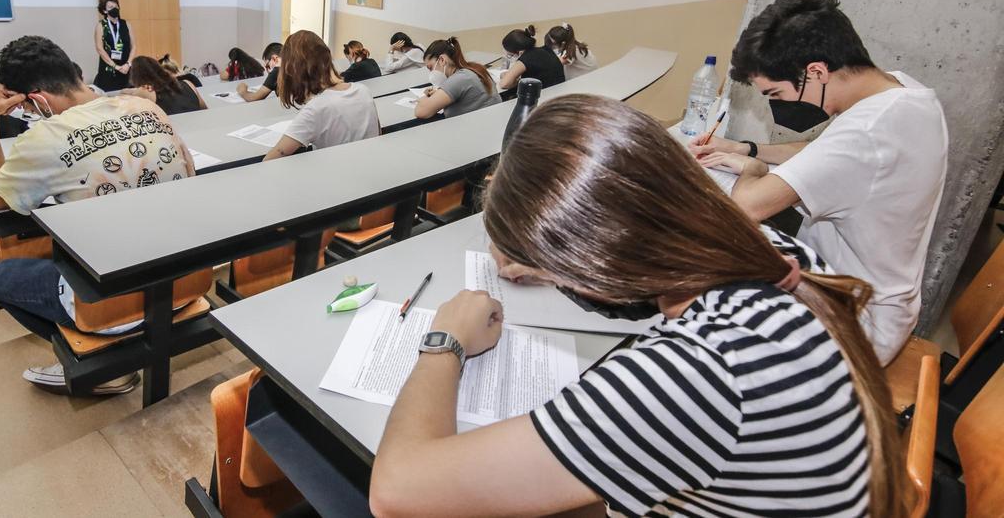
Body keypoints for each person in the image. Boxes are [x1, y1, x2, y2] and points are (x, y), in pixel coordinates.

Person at [369, 94, 908, 517]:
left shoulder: (694, 373)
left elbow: (396, 492)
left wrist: (446, 341)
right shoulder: (769, 250)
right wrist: (550, 260)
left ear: (595, 266)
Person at [691, 0, 948, 365]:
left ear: (816, 72)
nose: (778, 104)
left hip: (853, 321)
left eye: (776, 93)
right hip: (875, 299)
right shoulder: (900, 92)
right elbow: (823, 150)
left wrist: (752, 169)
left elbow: (748, 206)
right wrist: (746, 148)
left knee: (701, 298)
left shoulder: (866, 132)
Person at [0, 35, 195, 396]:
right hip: (187, 281)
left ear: (37, 101)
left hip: (111, 306)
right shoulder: (147, 107)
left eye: (27, 108)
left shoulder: (45, 138)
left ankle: (102, 365)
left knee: (0, 276)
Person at [263, 30, 379, 161]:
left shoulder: (316, 109)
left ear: (294, 70)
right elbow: (378, 133)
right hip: (369, 166)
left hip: (334, 171)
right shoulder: (363, 90)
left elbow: (268, 161)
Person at [414, 37, 500, 120]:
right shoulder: (473, 68)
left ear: (442, 60)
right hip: (491, 121)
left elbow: (421, 112)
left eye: (430, 68)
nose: (431, 72)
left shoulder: (458, 79)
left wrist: (424, 97)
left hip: (476, 125)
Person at [124, 55, 207, 115]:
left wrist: (126, 91)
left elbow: (127, 101)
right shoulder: (188, 83)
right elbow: (205, 109)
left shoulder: (146, 92)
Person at [497, 24, 565, 91]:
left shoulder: (526, 58)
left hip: (545, 94)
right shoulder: (544, 50)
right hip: (559, 91)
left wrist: (510, 78)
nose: (511, 58)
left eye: (511, 55)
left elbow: (504, 84)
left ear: (520, 52)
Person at [92, 0, 134, 92]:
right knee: (109, 96)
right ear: (104, 11)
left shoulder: (126, 24)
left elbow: (134, 46)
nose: (115, 9)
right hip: (109, 68)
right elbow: (99, 49)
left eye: (116, 6)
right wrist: (116, 66)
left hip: (125, 68)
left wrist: (128, 64)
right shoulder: (101, 26)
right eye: (111, 7)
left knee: (127, 95)